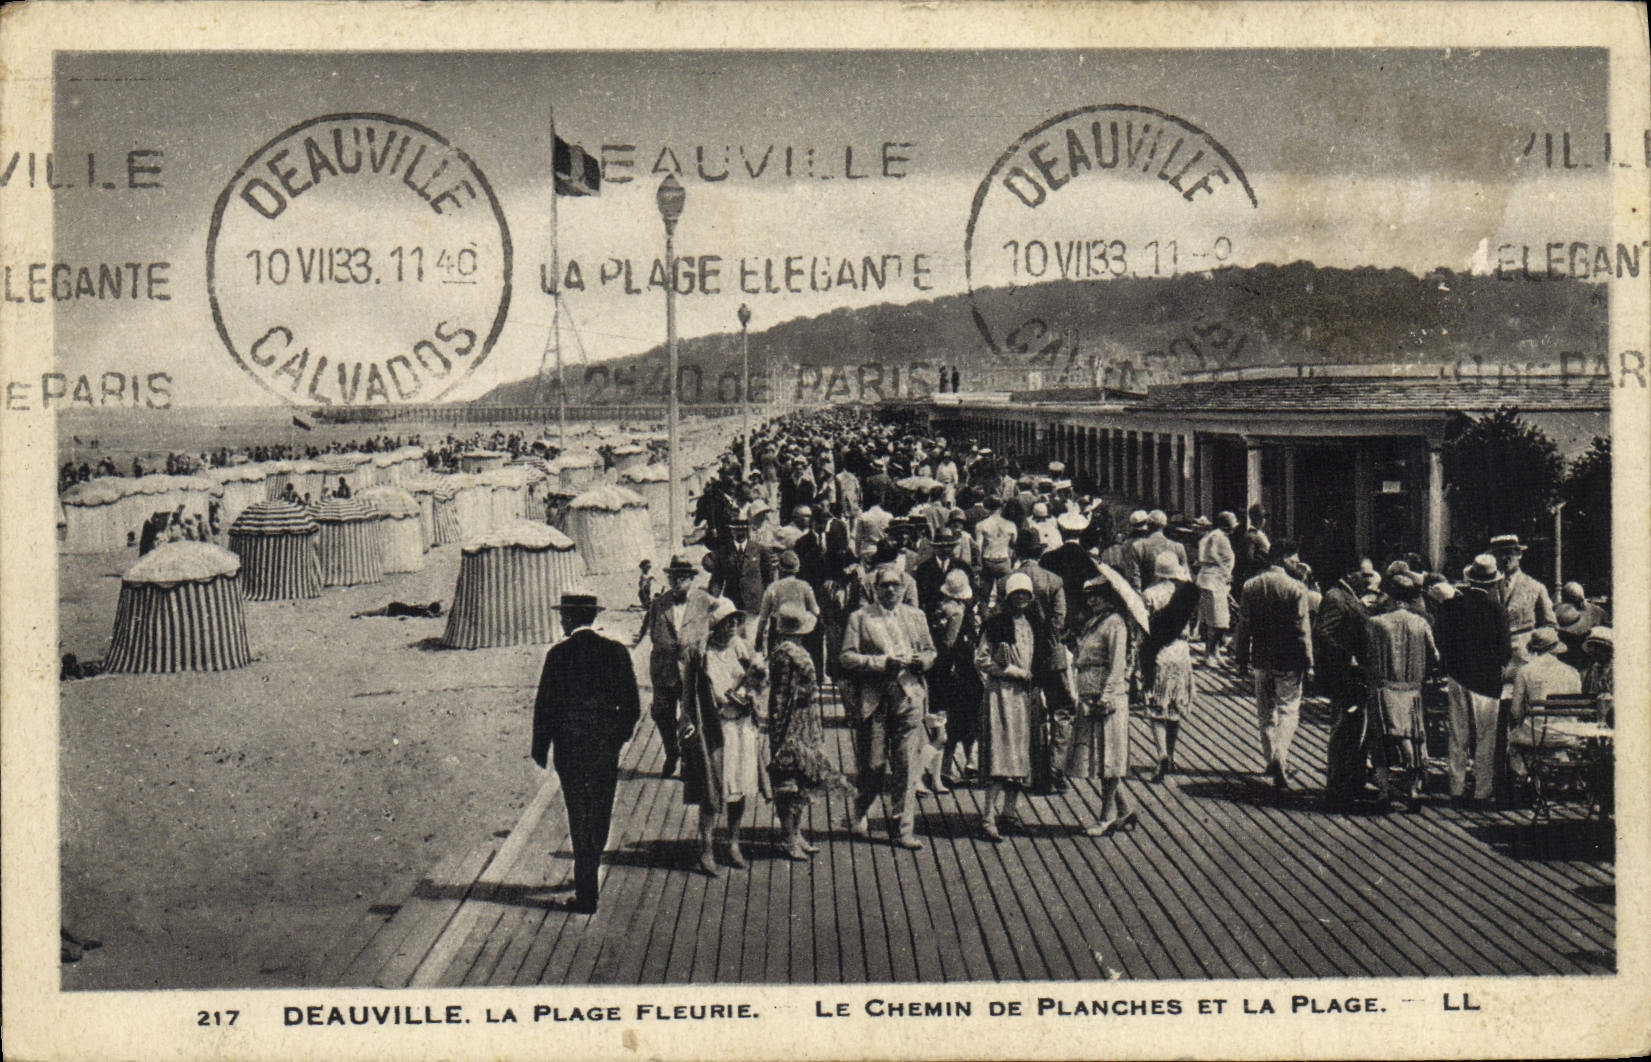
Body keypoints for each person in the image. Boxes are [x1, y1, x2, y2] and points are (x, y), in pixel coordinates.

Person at [530, 592, 642, 913]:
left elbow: (545, 705)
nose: (561, 620)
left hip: (569, 748)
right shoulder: (616, 652)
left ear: (569, 618)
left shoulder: (558, 655)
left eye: (563, 615)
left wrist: (541, 747)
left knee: (578, 812)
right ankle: (590, 869)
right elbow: (632, 705)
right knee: (601, 809)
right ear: (592, 617)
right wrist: (618, 737)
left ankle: (586, 891)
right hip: (604, 748)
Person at [840, 563, 936, 850]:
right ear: (875, 589)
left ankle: (902, 828)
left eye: (896, 584)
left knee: (907, 766)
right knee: (874, 766)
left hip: (909, 696)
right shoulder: (860, 618)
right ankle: (860, 808)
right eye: (885, 585)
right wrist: (881, 663)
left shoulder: (916, 616)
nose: (891, 589)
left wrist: (924, 661)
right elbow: (846, 656)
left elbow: (931, 649)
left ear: (904, 587)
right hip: (876, 699)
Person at [679, 598, 768, 874]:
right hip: (715, 730)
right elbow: (688, 693)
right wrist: (687, 722)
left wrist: (753, 689)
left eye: (736, 621)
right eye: (727, 622)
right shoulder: (700, 653)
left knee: (739, 787)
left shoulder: (742, 648)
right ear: (715, 625)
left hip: (742, 728)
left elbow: (761, 682)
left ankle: (733, 842)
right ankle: (706, 848)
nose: (732, 627)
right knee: (712, 787)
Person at [976, 572, 1053, 840]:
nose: (1021, 598)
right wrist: (1009, 670)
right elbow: (982, 659)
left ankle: (1008, 813)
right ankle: (988, 816)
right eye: (1016, 594)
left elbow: (1040, 660)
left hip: (1026, 697)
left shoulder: (1035, 624)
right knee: (1001, 754)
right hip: (1002, 696)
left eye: (1025, 594)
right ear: (1008, 597)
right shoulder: (996, 624)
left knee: (1021, 755)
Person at [1237, 539, 1315, 795]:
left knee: (1265, 712)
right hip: (1290, 658)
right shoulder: (1296, 588)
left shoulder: (1251, 585)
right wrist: (1309, 661)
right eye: (1293, 558)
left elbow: (1244, 624)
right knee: (1288, 710)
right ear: (1282, 559)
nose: (1296, 563)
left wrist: (1241, 657)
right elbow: (1302, 628)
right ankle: (1281, 756)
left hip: (1261, 657)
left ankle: (1271, 759)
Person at [1434, 556, 1512, 807]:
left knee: (1458, 735)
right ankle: (1482, 790)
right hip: (1486, 683)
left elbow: (1442, 640)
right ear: (1493, 582)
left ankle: (1455, 788)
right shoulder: (1496, 609)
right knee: (1485, 738)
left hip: (1457, 677)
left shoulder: (1453, 605)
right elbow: (1506, 651)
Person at [766, 602, 838, 861]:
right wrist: (781, 733)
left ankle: (796, 833)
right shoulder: (784, 656)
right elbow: (781, 697)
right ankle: (788, 837)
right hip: (792, 724)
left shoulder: (790, 652)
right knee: (790, 783)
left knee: (804, 780)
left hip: (804, 721)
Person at [1072, 570, 1140, 835]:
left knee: (1108, 758)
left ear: (1110, 598)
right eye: (1090, 597)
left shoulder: (1115, 624)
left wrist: (1107, 696)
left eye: (1098, 596)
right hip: (1089, 694)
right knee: (1100, 757)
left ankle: (1106, 816)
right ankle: (1124, 810)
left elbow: (1117, 665)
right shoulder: (1094, 622)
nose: (1093, 602)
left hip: (1105, 697)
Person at [1363, 575, 1438, 810]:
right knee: (1415, 740)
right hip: (1412, 690)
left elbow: (1365, 655)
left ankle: (1384, 791)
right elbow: (1434, 656)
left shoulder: (1376, 623)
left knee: (1380, 741)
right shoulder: (1421, 623)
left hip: (1384, 687)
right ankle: (1413, 790)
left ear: (1390, 595)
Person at [631, 555, 700, 779]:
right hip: (664, 669)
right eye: (674, 578)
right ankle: (672, 752)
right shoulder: (659, 604)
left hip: (692, 670)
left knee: (691, 716)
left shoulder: (702, 602)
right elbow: (651, 633)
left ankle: (689, 761)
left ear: (691, 579)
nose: (678, 582)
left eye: (683, 578)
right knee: (662, 713)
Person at [1316, 564, 1376, 809]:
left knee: (1355, 729)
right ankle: (1338, 788)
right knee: (1344, 730)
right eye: (1365, 574)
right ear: (1349, 573)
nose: (1369, 579)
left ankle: (1353, 782)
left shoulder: (1349, 597)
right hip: (1345, 676)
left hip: (1354, 676)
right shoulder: (1336, 597)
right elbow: (1323, 633)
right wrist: (1347, 656)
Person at [1140, 552, 1200, 782]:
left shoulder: (1149, 594)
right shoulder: (1185, 593)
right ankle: (1172, 755)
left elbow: (1145, 628)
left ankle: (1161, 754)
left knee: (1156, 705)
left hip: (1159, 652)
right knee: (1175, 704)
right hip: (1181, 650)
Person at [929, 568, 984, 787]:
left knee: (951, 722)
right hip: (959, 672)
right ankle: (956, 766)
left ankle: (946, 768)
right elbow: (951, 643)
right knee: (963, 720)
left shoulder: (941, 609)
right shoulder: (958, 612)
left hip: (946, 671)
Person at [1506, 627, 1583, 780]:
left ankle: (1524, 775)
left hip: (1537, 734)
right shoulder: (1572, 671)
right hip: (1567, 733)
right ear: (1555, 648)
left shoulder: (1525, 670)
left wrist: (1520, 721)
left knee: (1511, 737)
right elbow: (1577, 707)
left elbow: (1515, 711)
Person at [1488, 533, 1556, 665]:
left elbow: (1550, 625)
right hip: (1493, 660)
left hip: (1525, 659)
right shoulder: (1488, 587)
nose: (1504, 558)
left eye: (1509, 552)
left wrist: (1536, 647)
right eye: (1499, 553)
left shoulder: (1535, 587)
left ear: (1519, 554)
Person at [1194, 512, 1238, 665]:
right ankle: (1209, 654)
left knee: (1219, 620)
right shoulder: (1217, 537)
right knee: (1216, 621)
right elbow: (1211, 556)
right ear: (1227, 524)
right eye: (1233, 522)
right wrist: (1224, 571)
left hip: (1215, 581)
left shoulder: (1217, 536)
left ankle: (1215, 651)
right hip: (1213, 581)